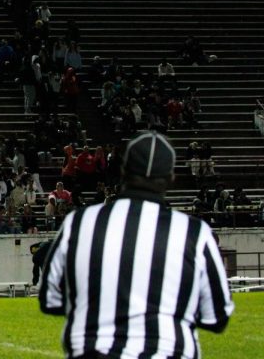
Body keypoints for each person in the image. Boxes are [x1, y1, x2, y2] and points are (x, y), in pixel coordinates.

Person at [39, 131, 234, 359]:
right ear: (171, 178)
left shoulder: (80, 222)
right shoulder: (194, 232)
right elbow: (217, 317)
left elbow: (50, 299)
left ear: (124, 172)